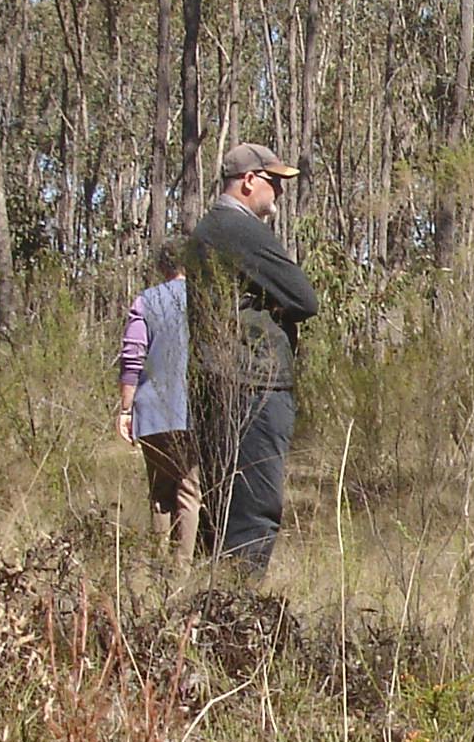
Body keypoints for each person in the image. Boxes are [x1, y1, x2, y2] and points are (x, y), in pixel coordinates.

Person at [184, 143, 322, 575]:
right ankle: (241, 616)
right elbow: (304, 298)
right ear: (249, 182)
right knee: (254, 508)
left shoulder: (207, 230)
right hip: (253, 388)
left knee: (223, 504)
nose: (279, 192)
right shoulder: (241, 230)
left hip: (221, 382)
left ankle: (214, 614)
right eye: (274, 182)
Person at [117, 237, 198, 561]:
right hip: (193, 409)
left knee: (160, 492)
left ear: (163, 266)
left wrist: (126, 409)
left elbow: (132, 357)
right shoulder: (206, 300)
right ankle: (182, 573)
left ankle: (157, 571)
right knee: (189, 492)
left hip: (151, 411)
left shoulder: (146, 301)